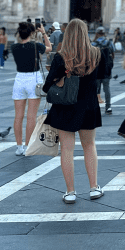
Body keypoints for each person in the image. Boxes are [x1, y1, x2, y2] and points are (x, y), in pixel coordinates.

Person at [42, 19, 106, 204]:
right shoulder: (96, 54)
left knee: (67, 150)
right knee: (89, 146)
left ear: (67, 34)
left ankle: (70, 192)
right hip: (88, 106)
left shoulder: (61, 57)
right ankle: (94, 188)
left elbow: (47, 87)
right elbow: (102, 76)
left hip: (65, 107)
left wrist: (59, 77)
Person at [10, 21, 51, 156]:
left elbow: (21, 40)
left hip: (19, 80)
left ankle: (19, 147)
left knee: (18, 116)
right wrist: (43, 32)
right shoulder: (36, 45)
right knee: (31, 116)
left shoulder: (14, 47)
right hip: (33, 79)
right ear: (32, 33)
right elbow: (49, 48)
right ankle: (27, 145)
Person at [92, 26, 115, 114]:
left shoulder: (93, 44)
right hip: (106, 70)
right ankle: (108, 107)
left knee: (95, 89)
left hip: (96, 70)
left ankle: (94, 107)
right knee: (107, 88)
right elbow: (113, 55)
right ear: (104, 33)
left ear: (97, 34)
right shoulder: (109, 43)